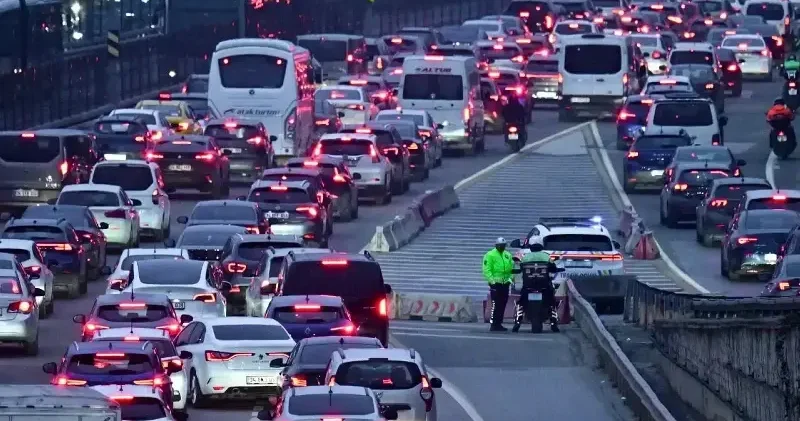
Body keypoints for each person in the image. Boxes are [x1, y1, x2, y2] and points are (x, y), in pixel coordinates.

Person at [512, 243, 558, 333]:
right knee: (552, 303)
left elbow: (520, 268)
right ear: (541, 249)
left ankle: (517, 323)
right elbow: (553, 268)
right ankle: (554, 324)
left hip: (528, 286)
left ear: (531, 249)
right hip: (544, 286)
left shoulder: (526, 257)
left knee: (520, 303)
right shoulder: (546, 256)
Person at [482, 237, 515, 332]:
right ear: (496, 245)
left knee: (502, 304)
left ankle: (499, 323)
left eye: (503, 246)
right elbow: (486, 270)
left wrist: (510, 279)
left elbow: (512, 269)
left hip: (505, 284)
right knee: (495, 304)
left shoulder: (507, 255)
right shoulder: (490, 255)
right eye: (500, 245)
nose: (502, 247)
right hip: (495, 284)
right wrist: (492, 282)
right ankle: (493, 324)